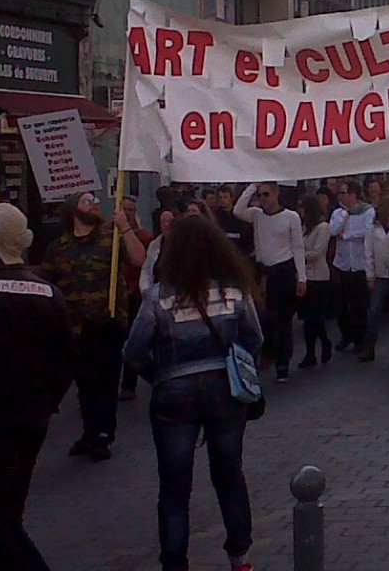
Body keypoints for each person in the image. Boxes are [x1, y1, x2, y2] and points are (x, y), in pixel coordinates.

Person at [123, 217, 262, 571]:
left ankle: (174, 562)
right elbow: (255, 339)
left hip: (174, 392)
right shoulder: (234, 289)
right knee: (230, 474)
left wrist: (161, 377)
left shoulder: (158, 296)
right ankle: (240, 556)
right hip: (226, 389)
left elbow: (134, 351)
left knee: (174, 486)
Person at [0, 204, 75, 571]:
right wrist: (46, 404)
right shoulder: (48, 294)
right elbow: (65, 362)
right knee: (9, 508)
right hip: (31, 420)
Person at [42, 191, 146, 461]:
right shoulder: (58, 248)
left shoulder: (110, 240)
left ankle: (103, 435)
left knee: (106, 380)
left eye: (95, 200)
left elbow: (139, 259)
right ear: (73, 211)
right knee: (85, 383)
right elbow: (49, 284)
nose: (95, 204)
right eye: (88, 201)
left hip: (107, 321)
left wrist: (124, 228)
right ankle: (89, 433)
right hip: (75, 326)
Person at [234, 182, 306, 382]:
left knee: (283, 320)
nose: (263, 199)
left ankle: (283, 363)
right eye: (260, 195)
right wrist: (252, 186)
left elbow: (298, 247)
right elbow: (238, 210)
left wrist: (302, 277)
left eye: (266, 194)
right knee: (263, 317)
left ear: (276, 194)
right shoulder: (257, 215)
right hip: (263, 272)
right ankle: (266, 354)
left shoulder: (291, 217)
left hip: (283, 271)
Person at [329, 179, 375, 354]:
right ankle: (346, 335)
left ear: (353, 195)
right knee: (341, 304)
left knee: (359, 305)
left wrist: (347, 235)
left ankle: (359, 338)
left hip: (359, 264)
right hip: (342, 264)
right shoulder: (338, 213)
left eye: (343, 192)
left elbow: (366, 231)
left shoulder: (367, 211)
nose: (340, 196)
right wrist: (345, 214)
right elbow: (333, 231)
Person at [363, 196, 389, 364]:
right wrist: (370, 275)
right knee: (374, 311)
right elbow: (368, 253)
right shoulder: (373, 230)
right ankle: (369, 347)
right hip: (380, 275)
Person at [119, 194, 153, 402]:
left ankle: (129, 384)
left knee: (133, 338)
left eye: (131, 210)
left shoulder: (144, 237)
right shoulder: (108, 235)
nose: (128, 213)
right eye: (125, 209)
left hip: (134, 294)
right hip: (115, 295)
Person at [296, 195, 333, 369]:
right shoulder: (304, 228)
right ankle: (310, 353)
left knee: (316, 316)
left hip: (318, 276)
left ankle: (325, 342)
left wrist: (298, 257)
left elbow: (318, 252)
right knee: (307, 318)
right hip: (304, 276)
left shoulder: (323, 227)